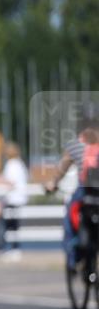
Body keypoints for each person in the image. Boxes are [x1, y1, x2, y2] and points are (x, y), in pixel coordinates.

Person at [45, 117, 99, 273]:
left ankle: (72, 260)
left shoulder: (77, 144)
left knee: (70, 220)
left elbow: (61, 169)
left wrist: (52, 184)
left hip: (85, 192)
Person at [0, 143, 29, 261]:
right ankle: (14, 248)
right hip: (19, 198)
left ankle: (13, 249)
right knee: (14, 225)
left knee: (10, 225)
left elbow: (11, 182)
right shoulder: (20, 164)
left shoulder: (11, 164)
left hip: (13, 198)